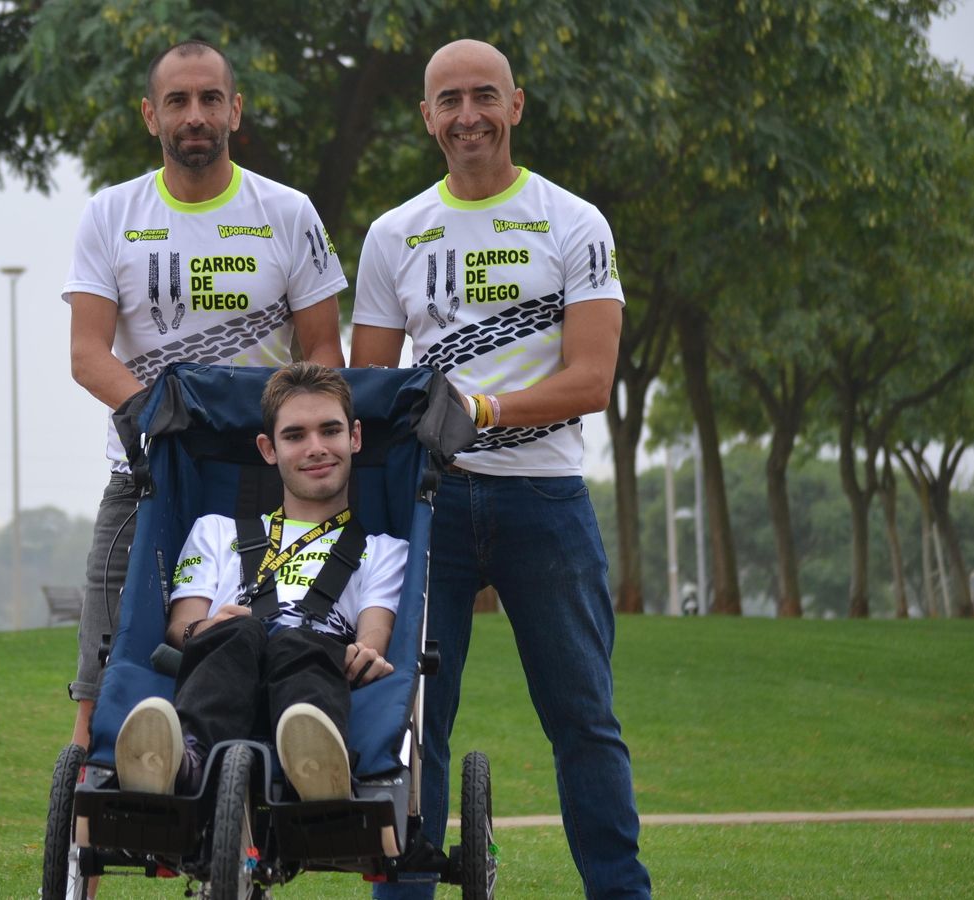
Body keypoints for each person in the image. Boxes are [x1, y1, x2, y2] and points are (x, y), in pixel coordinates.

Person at [349, 40, 651, 899]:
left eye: (485, 95)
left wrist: (481, 410)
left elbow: (592, 380)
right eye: (449, 100)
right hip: (428, 507)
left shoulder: (573, 221)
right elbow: (370, 393)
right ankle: (402, 890)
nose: (468, 114)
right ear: (426, 117)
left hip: (545, 502)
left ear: (516, 105)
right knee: (411, 720)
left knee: (584, 719)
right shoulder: (393, 234)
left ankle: (620, 892)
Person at [63, 40, 347, 749]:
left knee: (288, 640)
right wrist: (162, 415)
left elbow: (323, 353)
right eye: (178, 101)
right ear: (150, 115)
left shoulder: (288, 212)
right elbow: (86, 353)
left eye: (210, 99)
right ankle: (85, 850)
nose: (196, 115)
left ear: (235, 109)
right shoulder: (110, 214)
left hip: (266, 477)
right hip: (148, 478)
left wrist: (304, 441)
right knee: (102, 675)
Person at [114, 363, 405, 801]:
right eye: (295, 436)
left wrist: (366, 657)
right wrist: (205, 629)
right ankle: (185, 762)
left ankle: (316, 764)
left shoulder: (384, 550)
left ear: (355, 438)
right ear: (269, 449)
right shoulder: (215, 530)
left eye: (330, 431)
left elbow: (373, 638)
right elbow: (181, 627)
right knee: (240, 630)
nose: (316, 448)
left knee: (297, 641)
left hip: (316, 664)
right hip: (225, 658)